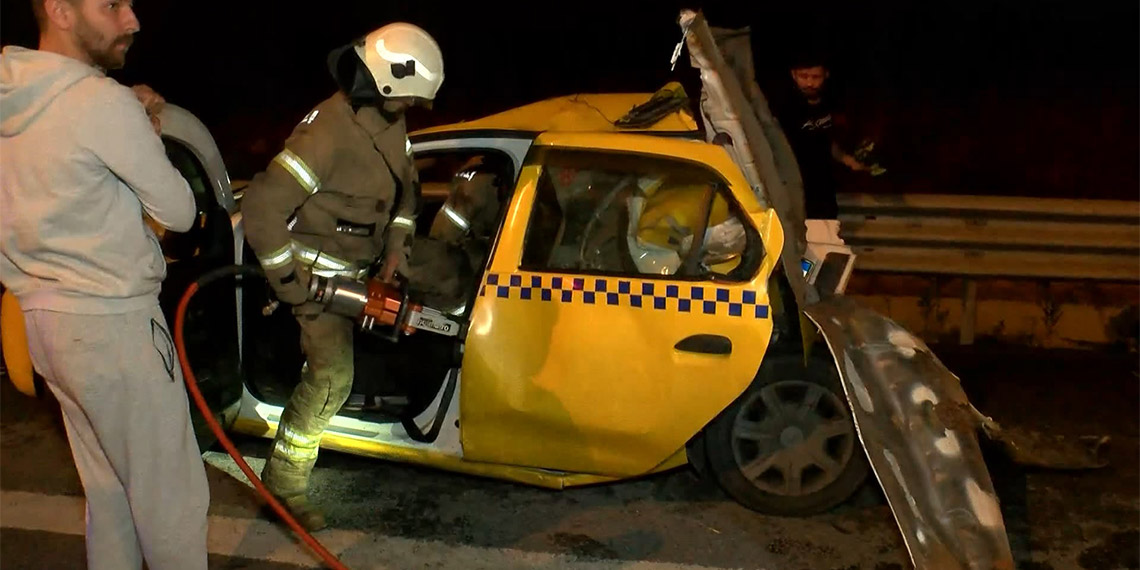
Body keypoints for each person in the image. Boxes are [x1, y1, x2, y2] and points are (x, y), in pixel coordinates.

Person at [0, 0, 208, 568]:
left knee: (110, 496)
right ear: (60, 11)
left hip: (42, 323)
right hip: (115, 325)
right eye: (112, 5)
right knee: (171, 505)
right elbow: (181, 210)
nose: (133, 20)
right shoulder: (99, 102)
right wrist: (138, 123)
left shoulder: (12, 96)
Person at [241, 22, 444, 531]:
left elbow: (406, 199)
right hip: (314, 279)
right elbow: (263, 210)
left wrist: (397, 250)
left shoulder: (389, 124)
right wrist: (293, 286)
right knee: (332, 378)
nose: (413, 111)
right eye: (411, 101)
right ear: (389, 82)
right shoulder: (327, 133)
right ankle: (284, 486)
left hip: (364, 270)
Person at [770, 53, 867, 220]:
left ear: (826, 75)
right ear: (793, 74)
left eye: (816, 77)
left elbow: (825, 140)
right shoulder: (784, 107)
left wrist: (847, 160)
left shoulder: (828, 102)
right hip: (795, 187)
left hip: (824, 188)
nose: (809, 83)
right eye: (803, 76)